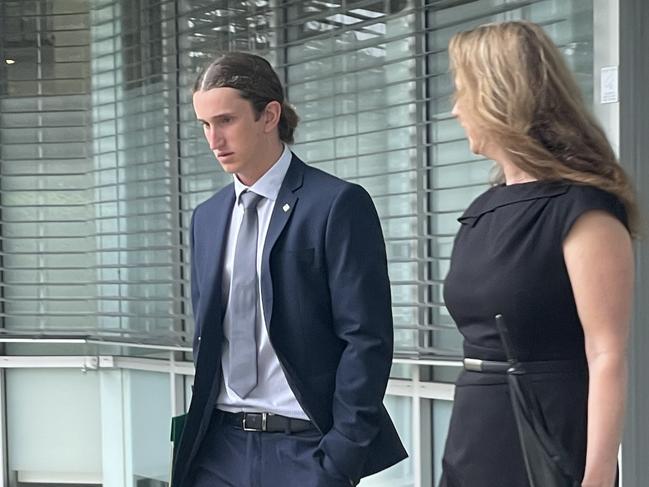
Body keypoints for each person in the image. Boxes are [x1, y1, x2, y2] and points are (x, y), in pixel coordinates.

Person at [171, 52, 407, 487]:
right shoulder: (206, 217)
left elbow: (367, 339)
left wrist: (339, 460)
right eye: (204, 125)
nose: (213, 139)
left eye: (225, 120)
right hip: (219, 450)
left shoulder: (335, 204)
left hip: (303, 451)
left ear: (269, 115)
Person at [439, 21, 637, 487]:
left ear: (498, 96)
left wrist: (599, 475)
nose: (454, 109)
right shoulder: (481, 210)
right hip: (474, 431)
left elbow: (606, 352)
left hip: (547, 434)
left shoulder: (582, 210)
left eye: (462, 91)